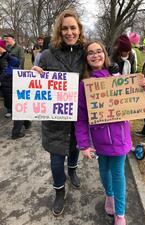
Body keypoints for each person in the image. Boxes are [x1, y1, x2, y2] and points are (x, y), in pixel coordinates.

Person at [74, 40, 145, 225]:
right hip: (99, 139)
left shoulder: (118, 78)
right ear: (86, 58)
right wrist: (83, 144)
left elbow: (133, 98)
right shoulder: (85, 85)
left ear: (105, 55)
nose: (96, 55)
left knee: (118, 174)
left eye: (99, 51)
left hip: (120, 137)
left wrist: (142, 84)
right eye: (91, 52)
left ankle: (120, 214)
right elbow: (81, 118)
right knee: (104, 171)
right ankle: (109, 196)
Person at [32, 9, 86, 216]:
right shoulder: (46, 55)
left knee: (74, 149)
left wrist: (117, 71)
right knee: (56, 161)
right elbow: (34, 82)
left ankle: (72, 170)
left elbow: (101, 71)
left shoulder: (85, 53)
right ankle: (59, 191)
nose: (69, 32)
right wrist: (33, 75)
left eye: (73, 28)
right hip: (55, 120)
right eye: (65, 28)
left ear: (79, 30)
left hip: (78, 118)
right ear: (59, 31)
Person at [3, 33, 31, 139]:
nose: (6, 41)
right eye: (5, 39)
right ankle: (26, 121)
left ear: (12, 39)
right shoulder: (7, 48)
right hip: (8, 77)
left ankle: (24, 122)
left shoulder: (19, 48)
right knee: (16, 101)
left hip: (17, 76)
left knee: (19, 100)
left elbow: (21, 61)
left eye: (8, 39)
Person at [0, 39, 20, 118]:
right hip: (2, 79)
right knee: (5, 95)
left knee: (9, 95)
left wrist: (5, 54)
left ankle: (10, 110)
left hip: (8, 80)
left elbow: (16, 63)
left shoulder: (9, 55)